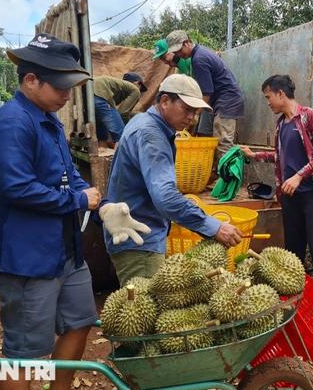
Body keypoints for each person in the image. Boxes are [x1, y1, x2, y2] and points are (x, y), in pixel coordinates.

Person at [0, 33, 149, 390]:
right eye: (60, 87)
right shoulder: (12, 122)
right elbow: (15, 188)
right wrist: (78, 201)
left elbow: (70, 176)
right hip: (27, 256)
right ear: (30, 80)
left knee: (81, 321)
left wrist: (103, 207)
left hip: (66, 251)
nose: (67, 95)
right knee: (23, 353)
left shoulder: (50, 120)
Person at [104, 73, 243, 286]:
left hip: (137, 233)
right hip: (139, 239)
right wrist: (213, 226)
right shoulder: (152, 136)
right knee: (145, 313)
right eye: (186, 109)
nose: (191, 118)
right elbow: (165, 197)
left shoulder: (143, 121)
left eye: (195, 112)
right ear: (165, 101)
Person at [240, 75, 313, 301]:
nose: (268, 103)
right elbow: (281, 156)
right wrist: (255, 156)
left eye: (269, 97)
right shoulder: (281, 124)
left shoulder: (310, 117)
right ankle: (299, 298)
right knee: (293, 251)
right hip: (290, 197)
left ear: (280, 94)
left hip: (312, 195)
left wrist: (298, 176)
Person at [165, 30, 245, 185]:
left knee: (223, 141)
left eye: (179, 50)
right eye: (175, 52)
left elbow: (207, 93)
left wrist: (195, 113)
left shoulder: (199, 59)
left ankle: (227, 181)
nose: (179, 54)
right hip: (221, 100)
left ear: (187, 42)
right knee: (211, 137)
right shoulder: (200, 54)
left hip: (227, 99)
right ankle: (216, 174)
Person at [93, 72, 147, 146]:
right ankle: (118, 157)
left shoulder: (117, 87)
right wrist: (125, 126)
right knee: (121, 136)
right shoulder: (135, 90)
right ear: (137, 83)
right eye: (141, 88)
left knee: (102, 133)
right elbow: (123, 113)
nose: (140, 91)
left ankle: (102, 150)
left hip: (88, 94)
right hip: (100, 95)